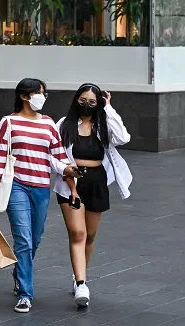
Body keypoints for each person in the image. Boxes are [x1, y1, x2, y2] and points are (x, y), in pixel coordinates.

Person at [0, 78, 81, 314]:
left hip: (41, 189)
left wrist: (73, 185)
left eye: (44, 94)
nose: (42, 98)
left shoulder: (48, 124)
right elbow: (0, 161)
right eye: (39, 93)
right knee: (23, 240)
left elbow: (60, 158)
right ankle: (25, 294)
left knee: (34, 239)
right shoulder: (9, 123)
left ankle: (19, 271)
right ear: (25, 96)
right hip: (17, 186)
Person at [54, 83, 132, 308]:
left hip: (97, 181)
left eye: (92, 101)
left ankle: (80, 276)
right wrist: (65, 171)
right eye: (82, 100)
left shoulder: (104, 124)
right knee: (78, 233)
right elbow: (56, 155)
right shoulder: (64, 125)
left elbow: (123, 137)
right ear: (75, 99)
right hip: (71, 182)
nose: (86, 105)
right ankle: (81, 284)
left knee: (90, 236)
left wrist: (108, 108)